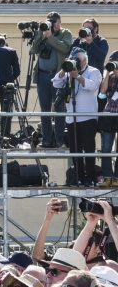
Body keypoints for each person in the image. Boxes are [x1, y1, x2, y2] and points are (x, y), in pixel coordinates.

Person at [52, 47, 102, 186]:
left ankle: (90, 177)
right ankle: (79, 177)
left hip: (88, 116)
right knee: (75, 149)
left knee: (88, 148)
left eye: (77, 60)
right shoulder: (69, 72)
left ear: (85, 60)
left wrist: (78, 77)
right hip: (71, 117)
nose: (76, 62)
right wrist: (64, 68)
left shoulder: (93, 71)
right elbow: (56, 83)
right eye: (73, 59)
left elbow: (93, 86)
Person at [31, 11, 72, 149]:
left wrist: (50, 37)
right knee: (45, 109)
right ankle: (46, 139)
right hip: (43, 75)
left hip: (58, 76)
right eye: (50, 21)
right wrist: (40, 33)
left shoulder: (65, 33)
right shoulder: (43, 32)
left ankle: (60, 139)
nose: (52, 23)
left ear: (60, 21)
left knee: (60, 108)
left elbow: (65, 48)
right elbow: (34, 50)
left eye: (55, 21)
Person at [0, 34, 20, 138]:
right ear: (4, 43)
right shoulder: (11, 51)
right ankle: (5, 136)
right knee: (6, 111)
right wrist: (10, 78)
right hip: (7, 84)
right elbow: (17, 70)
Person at [98, 50, 118, 187]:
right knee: (106, 148)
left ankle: (116, 177)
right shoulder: (110, 76)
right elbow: (103, 91)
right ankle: (107, 176)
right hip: (109, 113)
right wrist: (107, 73)